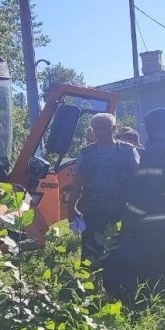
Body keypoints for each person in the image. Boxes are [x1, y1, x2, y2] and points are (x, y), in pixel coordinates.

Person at [110, 107, 165, 299]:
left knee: (155, 267)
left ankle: (154, 306)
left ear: (153, 127)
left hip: (155, 219)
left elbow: (146, 190)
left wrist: (130, 217)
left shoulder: (154, 150)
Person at [68, 113, 140, 264]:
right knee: (90, 252)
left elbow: (138, 180)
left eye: (104, 128)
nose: (100, 132)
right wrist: (71, 207)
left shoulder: (128, 151)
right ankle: (89, 283)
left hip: (122, 210)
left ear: (113, 129)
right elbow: (77, 182)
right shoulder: (86, 153)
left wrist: (138, 208)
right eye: (96, 129)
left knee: (120, 250)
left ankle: (116, 283)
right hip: (93, 210)